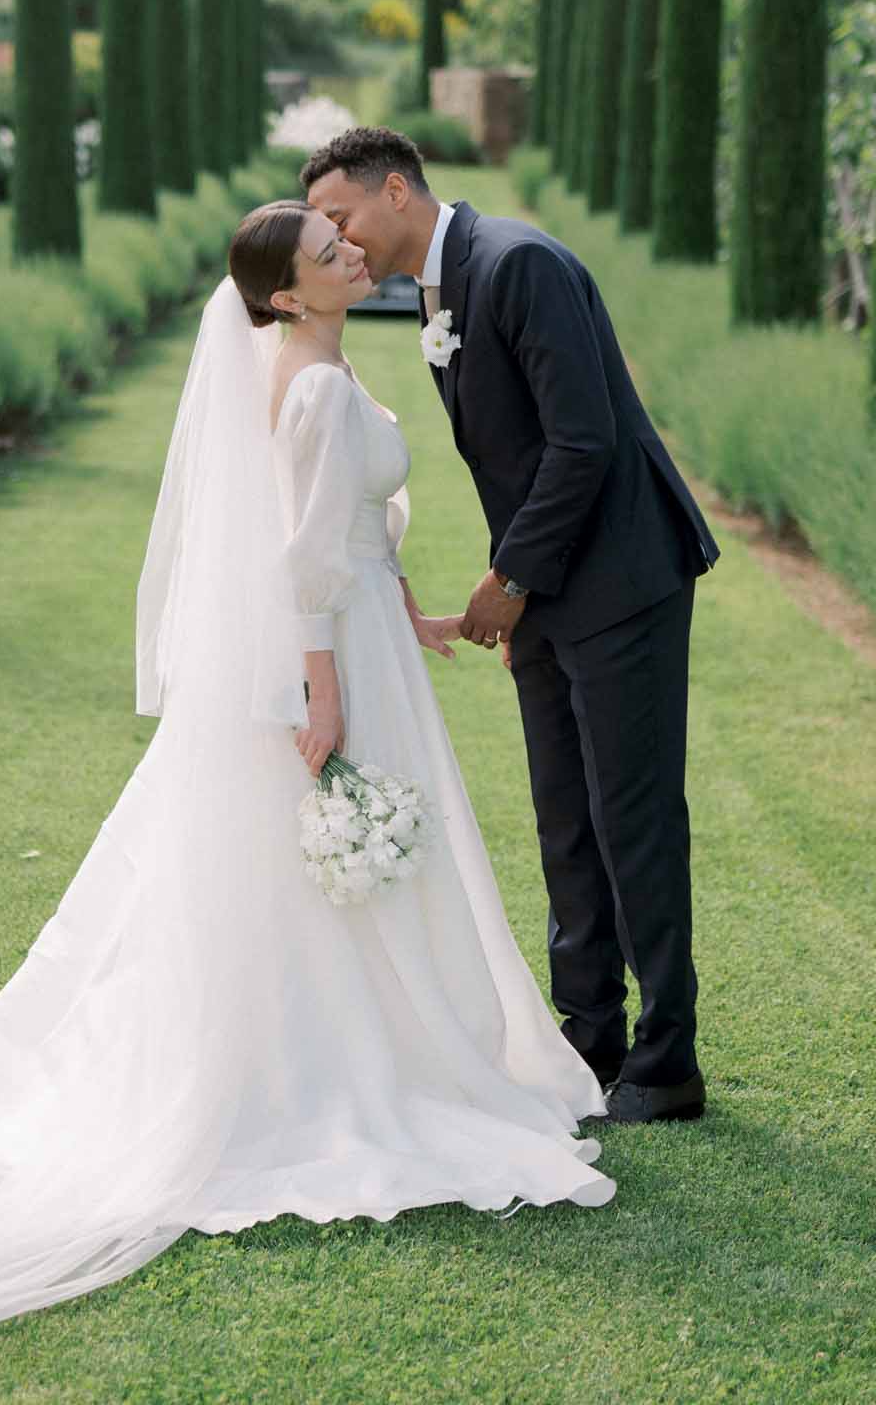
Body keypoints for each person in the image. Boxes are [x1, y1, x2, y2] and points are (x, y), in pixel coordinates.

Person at [0, 200, 613, 1377]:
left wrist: (397, 607)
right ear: (289, 294)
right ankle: (338, 1063)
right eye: (327, 252)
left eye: (343, 239)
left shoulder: (314, 358)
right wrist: (326, 687)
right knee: (320, 851)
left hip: (367, 632)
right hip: (334, 655)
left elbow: (341, 526)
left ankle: (386, 1042)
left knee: (340, 861)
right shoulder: (305, 383)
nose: (353, 251)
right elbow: (299, 556)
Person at [302, 127, 720, 1123]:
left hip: (621, 575)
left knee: (635, 817)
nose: (336, 237)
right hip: (547, 586)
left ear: (395, 189)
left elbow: (586, 440)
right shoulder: (440, 289)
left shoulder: (516, 262)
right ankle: (586, 1036)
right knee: (564, 819)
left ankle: (666, 1061)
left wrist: (507, 579)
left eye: (338, 215)